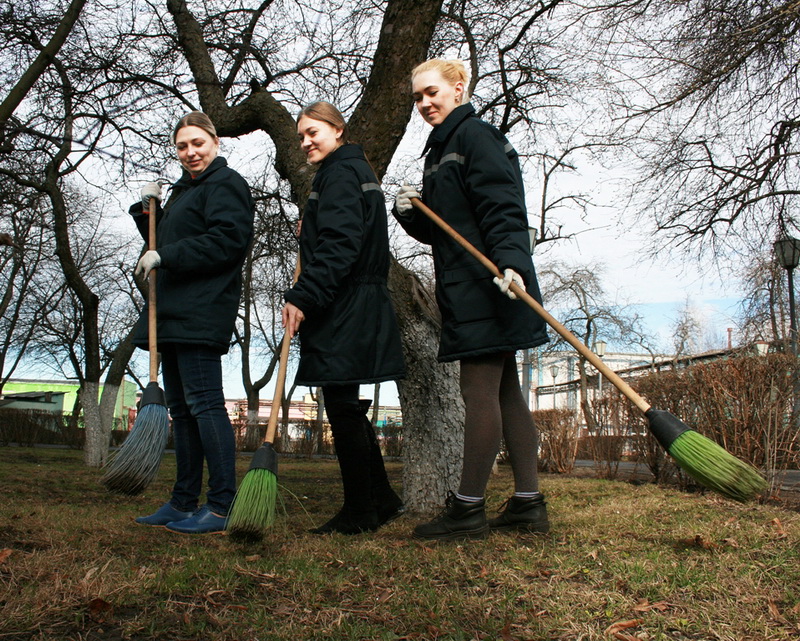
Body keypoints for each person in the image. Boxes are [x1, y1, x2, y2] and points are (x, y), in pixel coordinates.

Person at [393, 59, 550, 540]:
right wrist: (412, 215)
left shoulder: (474, 137)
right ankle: (528, 502)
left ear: (458, 89)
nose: (424, 104)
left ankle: (467, 509)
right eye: (418, 97)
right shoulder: (442, 149)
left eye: (432, 92)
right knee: (505, 393)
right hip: (470, 285)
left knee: (477, 393)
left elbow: (502, 205)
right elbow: (449, 228)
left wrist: (513, 264)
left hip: (491, 285)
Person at [283, 101, 405, 535]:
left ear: (337, 129)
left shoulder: (337, 174)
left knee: (342, 407)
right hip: (357, 302)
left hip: (346, 307)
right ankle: (382, 499)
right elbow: (344, 232)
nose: (305, 142)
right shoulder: (354, 172)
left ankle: (359, 511)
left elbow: (340, 245)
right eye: (301, 136)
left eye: (313, 132)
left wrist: (304, 296)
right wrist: (311, 227)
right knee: (347, 407)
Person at [131, 111, 254, 534]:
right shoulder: (186, 189)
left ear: (215, 142)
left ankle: (221, 505)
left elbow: (226, 241)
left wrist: (167, 256)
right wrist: (147, 212)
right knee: (182, 411)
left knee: (205, 405)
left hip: (203, 308)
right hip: (175, 311)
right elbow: (166, 238)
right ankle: (183, 502)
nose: (190, 152)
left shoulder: (226, 184)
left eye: (197, 143)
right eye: (182, 146)